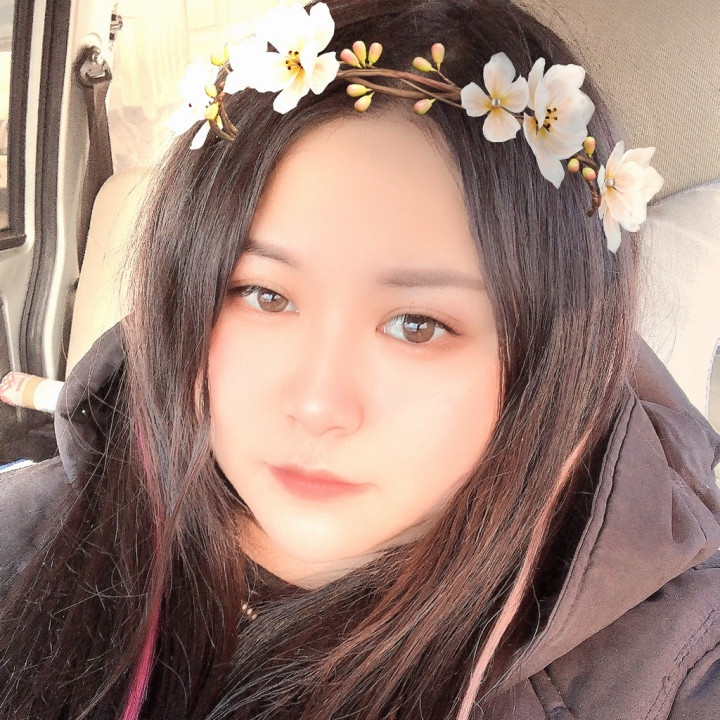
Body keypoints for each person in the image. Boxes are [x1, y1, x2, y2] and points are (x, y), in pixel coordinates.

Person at [1, 0, 719, 718]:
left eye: (417, 326)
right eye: (264, 296)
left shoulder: (668, 668)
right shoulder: (28, 538)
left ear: (548, 360)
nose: (318, 406)